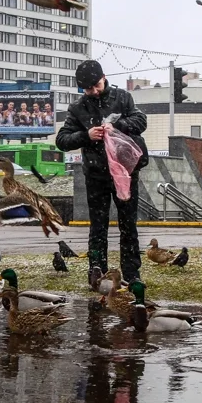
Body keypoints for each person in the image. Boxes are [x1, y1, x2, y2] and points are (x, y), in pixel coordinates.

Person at [56, 59, 148, 283]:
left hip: (124, 174)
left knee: (128, 226)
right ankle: (97, 271)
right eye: (88, 89)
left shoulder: (122, 98)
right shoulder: (78, 108)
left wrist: (118, 126)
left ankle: (132, 274)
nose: (94, 91)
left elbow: (141, 121)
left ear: (104, 77)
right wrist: (86, 136)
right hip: (96, 175)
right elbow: (62, 140)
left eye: (96, 85)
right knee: (98, 227)